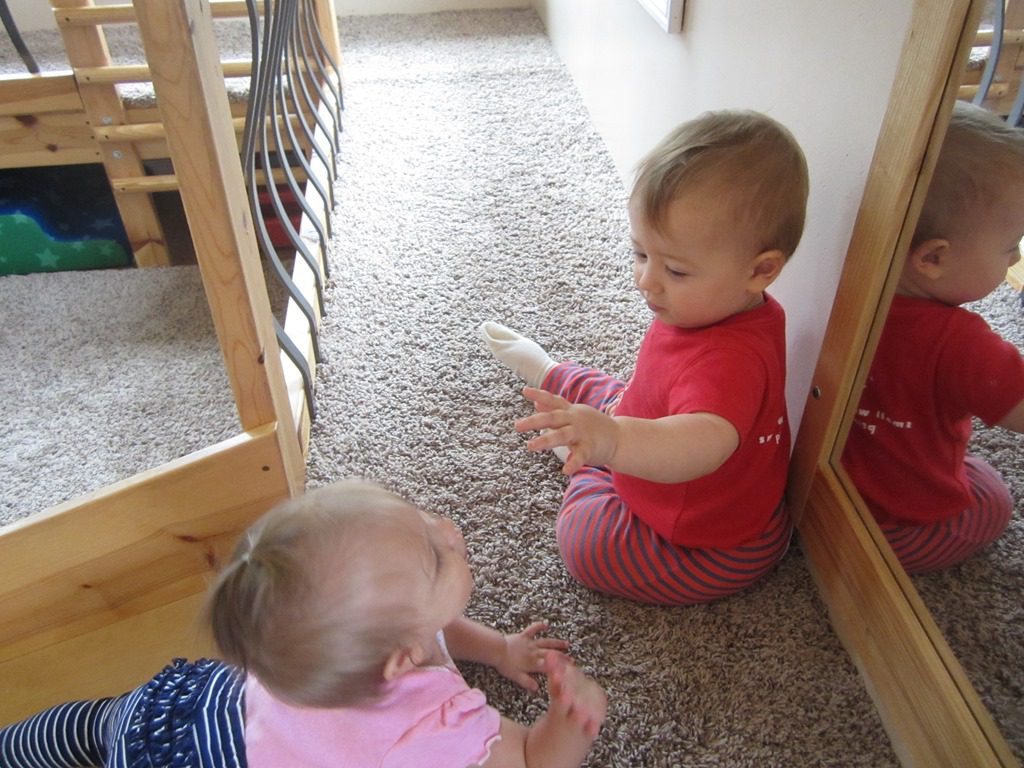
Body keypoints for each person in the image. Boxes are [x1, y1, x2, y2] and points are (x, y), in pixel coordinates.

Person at [0, 480, 607, 767]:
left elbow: (435, 628)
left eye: (423, 521)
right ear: (401, 659)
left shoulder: (326, 639)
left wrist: (498, 649)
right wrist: (570, 721)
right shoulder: (431, 731)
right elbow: (530, 762)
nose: (449, 530)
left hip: (162, 719)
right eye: (435, 553)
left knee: (92, 725)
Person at [481, 110, 808, 606]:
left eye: (675, 270)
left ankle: (586, 461)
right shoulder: (719, 306)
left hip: (705, 541)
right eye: (640, 254)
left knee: (587, 546)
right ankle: (551, 372)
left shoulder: (731, 360)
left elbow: (702, 442)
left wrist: (612, 442)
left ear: (760, 271)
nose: (645, 281)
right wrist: (620, 425)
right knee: (617, 397)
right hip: (656, 433)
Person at [841, 100, 1024, 574]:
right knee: (992, 496)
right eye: (1010, 247)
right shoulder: (964, 343)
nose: (1014, 260)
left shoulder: (837, 294)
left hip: (824, 495)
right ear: (933, 259)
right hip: (902, 528)